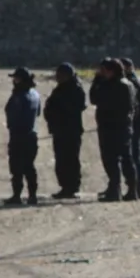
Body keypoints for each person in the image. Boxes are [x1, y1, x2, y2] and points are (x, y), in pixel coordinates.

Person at [89, 58, 138, 202]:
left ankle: (115, 190)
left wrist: (97, 80)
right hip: (124, 126)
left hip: (110, 127)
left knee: (111, 159)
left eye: (104, 70)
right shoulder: (129, 84)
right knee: (126, 158)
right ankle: (132, 189)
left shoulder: (110, 85)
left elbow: (94, 98)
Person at [44, 63, 87, 199]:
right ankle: (65, 186)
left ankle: (71, 187)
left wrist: (58, 109)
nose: (57, 77)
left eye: (60, 74)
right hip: (60, 130)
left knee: (70, 159)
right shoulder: (61, 88)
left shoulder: (75, 89)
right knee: (61, 159)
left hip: (70, 130)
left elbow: (78, 107)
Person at [3, 67, 41, 205]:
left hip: (19, 135)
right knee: (28, 167)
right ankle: (32, 196)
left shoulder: (20, 96)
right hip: (31, 135)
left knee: (17, 168)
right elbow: (38, 113)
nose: (14, 81)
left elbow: (13, 114)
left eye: (16, 78)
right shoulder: (35, 94)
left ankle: (17, 195)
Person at [120, 57, 140, 198]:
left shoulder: (131, 82)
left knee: (133, 155)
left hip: (135, 122)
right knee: (136, 154)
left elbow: (134, 105)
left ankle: (138, 187)